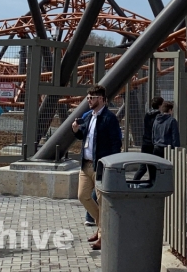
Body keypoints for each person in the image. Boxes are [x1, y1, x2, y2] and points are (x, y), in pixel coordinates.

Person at [72, 84, 122, 251]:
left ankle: (102, 235)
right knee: (83, 196)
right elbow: (83, 136)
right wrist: (76, 131)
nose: (88, 100)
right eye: (87, 98)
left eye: (91, 98)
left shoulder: (109, 118)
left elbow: (116, 142)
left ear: (100, 99)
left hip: (100, 166)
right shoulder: (88, 116)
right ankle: (101, 225)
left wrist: (111, 163)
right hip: (85, 165)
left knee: (102, 200)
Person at [137, 96, 164, 181]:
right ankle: (152, 184)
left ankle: (134, 181)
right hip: (153, 144)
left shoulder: (147, 114)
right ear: (160, 105)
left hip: (145, 143)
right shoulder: (159, 116)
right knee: (152, 167)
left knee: (143, 167)